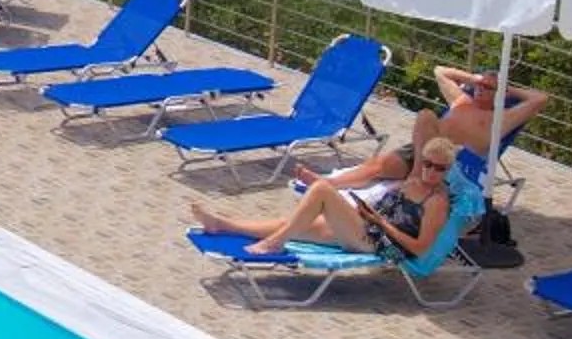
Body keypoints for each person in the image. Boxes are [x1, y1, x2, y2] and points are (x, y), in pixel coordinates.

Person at [199, 135, 470, 260]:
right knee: (295, 222)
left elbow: (421, 249)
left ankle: (274, 244)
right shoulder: (410, 181)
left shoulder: (437, 202)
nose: (431, 172)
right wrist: (367, 211)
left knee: (321, 191)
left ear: (447, 170)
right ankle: (223, 224)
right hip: (368, 227)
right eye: (427, 164)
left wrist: (382, 224)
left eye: (440, 168)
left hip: (379, 244)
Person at [303, 63, 548, 190]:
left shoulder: (503, 118)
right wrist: (475, 79)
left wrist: (504, 86)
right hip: (423, 152)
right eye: (480, 85)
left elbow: (540, 98)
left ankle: (414, 177)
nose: (482, 89)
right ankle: (328, 184)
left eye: (489, 88)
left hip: (453, 164)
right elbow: (440, 71)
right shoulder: (462, 100)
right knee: (377, 165)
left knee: (426, 116)